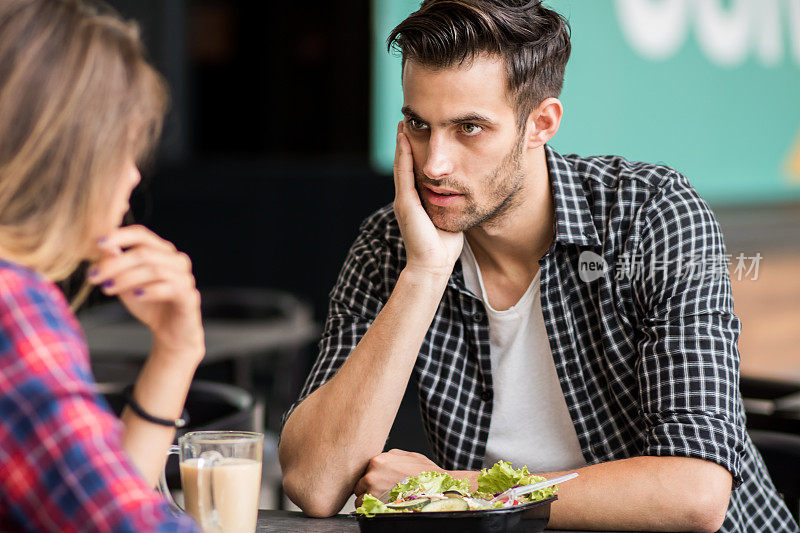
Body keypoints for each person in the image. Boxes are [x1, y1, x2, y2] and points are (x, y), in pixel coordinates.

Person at [278, 1, 799, 532]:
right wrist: (424, 275)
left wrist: (450, 490)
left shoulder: (651, 214)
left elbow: (694, 493)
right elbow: (315, 484)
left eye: (470, 129)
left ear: (540, 124)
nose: (434, 163)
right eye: (418, 124)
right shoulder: (394, 242)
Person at [0, 0, 203, 531]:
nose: (133, 177)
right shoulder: (13, 305)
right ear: (69, 153)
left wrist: (176, 352)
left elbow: (95, 500)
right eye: (122, 150)